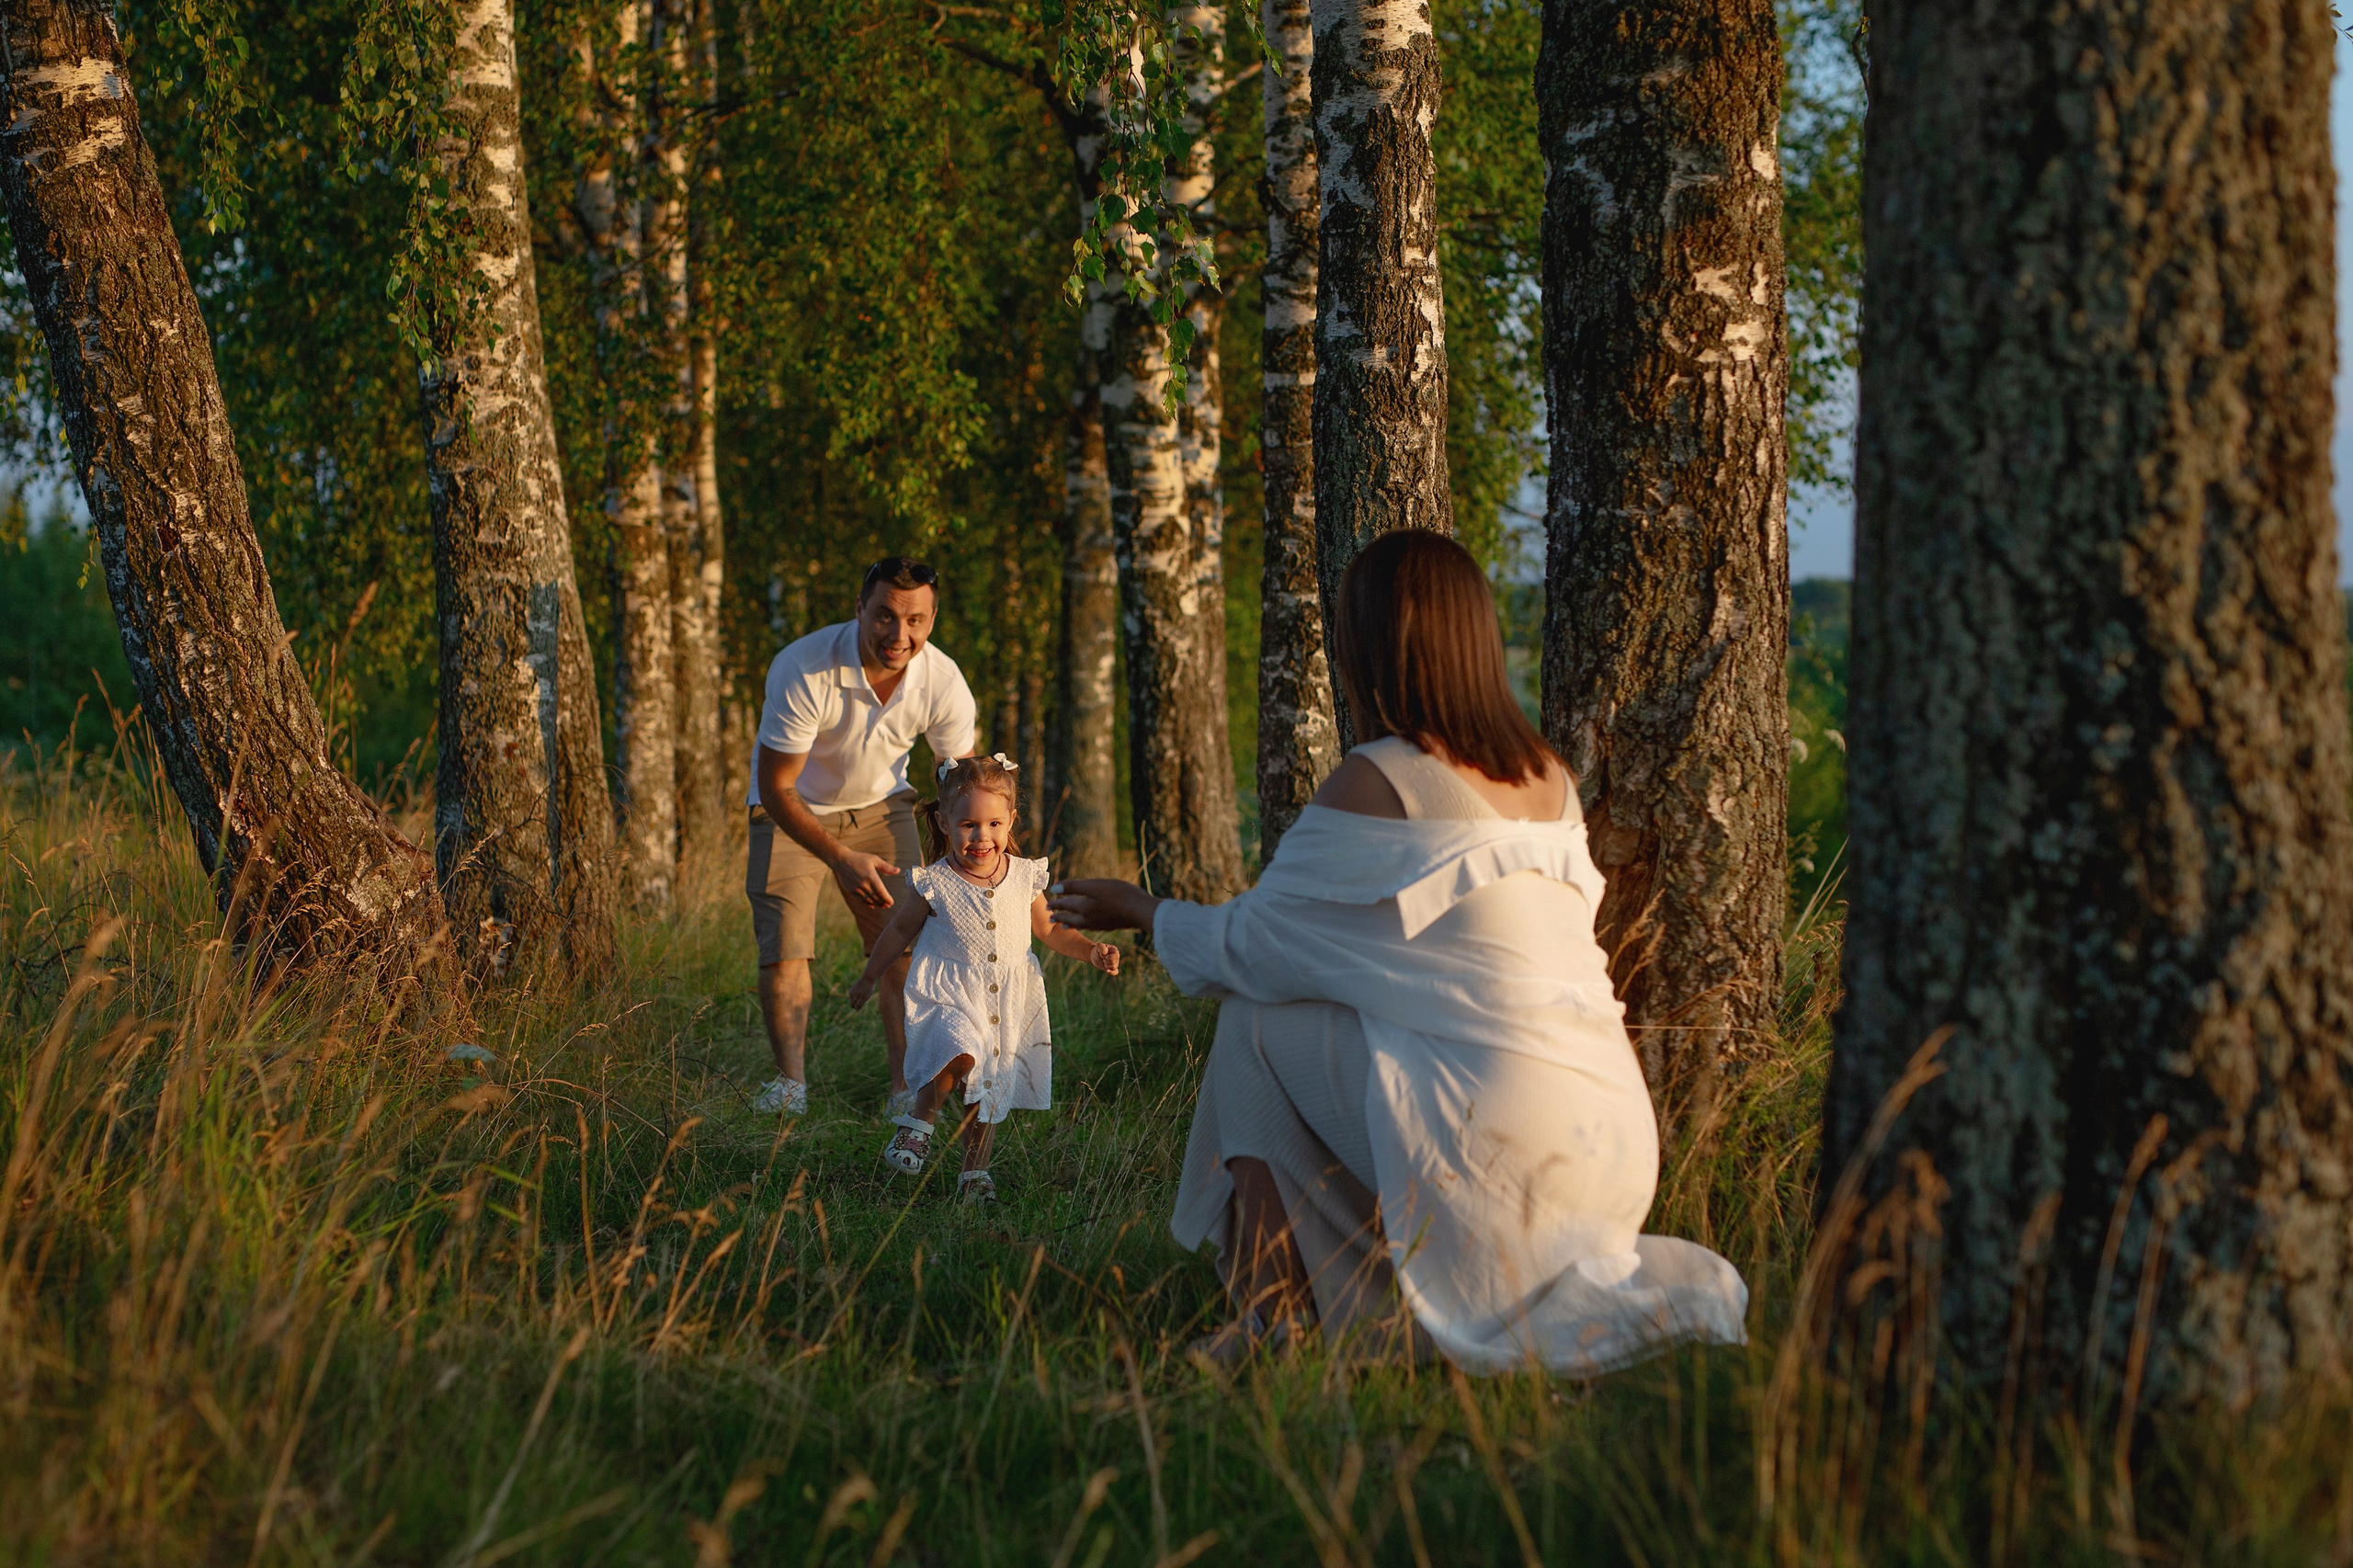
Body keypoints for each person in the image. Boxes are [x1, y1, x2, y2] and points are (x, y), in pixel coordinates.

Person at [1048, 530, 1747, 1373]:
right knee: (1330, 1016)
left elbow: (1255, 946)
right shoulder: (1550, 779)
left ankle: (1274, 1321)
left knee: (1254, 1018)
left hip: (1503, 1145)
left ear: (1366, 647)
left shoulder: (1381, 778)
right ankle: (1372, 1297)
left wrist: (1141, 908)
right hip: (1612, 1147)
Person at [747, 556, 975, 1117]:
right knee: (785, 948)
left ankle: (904, 1091)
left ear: (933, 619)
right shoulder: (803, 667)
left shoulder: (942, 681)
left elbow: (962, 784)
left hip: (880, 805)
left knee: (904, 948)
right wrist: (839, 858)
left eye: (917, 621)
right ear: (859, 610)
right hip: (790, 806)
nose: (900, 635)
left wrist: (979, 864)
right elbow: (775, 786)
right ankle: (789, 1091)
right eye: (885, 617)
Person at [848, 754, 1120, 1201]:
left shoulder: (1023, 877)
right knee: (959, 1052)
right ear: (943, 823)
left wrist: (1091, 950)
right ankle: (918, 1125)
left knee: (986, 1091)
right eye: (969, 825)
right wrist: (869, 977)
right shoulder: (936, 881)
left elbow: (1049, 929)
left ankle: (974, 1175)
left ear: (1011, 819)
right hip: (950, 995)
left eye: (994, 824)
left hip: (1004, 1003)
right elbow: (899, 930)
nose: (982, 837)